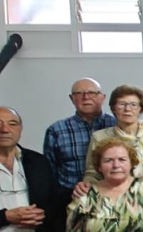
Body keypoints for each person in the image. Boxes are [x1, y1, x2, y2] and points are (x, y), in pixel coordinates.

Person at [43, 78, 115, 209]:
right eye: (79, 93)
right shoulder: (57, 130)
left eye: (92, 93)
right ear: (71, 98)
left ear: (103, 97)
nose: (86, 97)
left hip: (112, 198)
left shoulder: (116, 125)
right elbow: (50, 170)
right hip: (68, 198)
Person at [82, 85, 143, 187]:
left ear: (141, 109)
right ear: (113, 109)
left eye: (133, 104)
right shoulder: (99, 137)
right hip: (109, 192)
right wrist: (88, 188)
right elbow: (92, 173)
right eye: (122, 104)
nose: (127, 109)